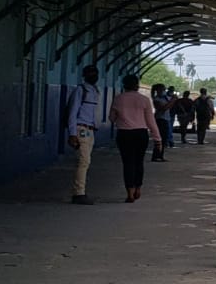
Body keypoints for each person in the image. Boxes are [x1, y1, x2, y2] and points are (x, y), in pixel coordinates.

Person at [108, 74, 160, 202]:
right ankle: (138, 188)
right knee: (139, 162)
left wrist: (122, 117)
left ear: (124, 85)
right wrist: (157, 138)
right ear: (137, 85)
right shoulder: (144, 100)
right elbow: (150, 121)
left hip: (124, 134)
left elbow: (111, 118)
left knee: (128, 163)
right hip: (141, 134)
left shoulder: (118, 99)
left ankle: (129, 193)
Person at [63, 65, 102, 205]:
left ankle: (80, 191)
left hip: (91, 130)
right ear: (84, 75)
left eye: (95, 73)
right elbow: (72, 113)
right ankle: (79, 193)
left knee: (85, 161)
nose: (94, 75)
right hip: (81, 129)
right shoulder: (80, 90)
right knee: (83, 161)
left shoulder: (95, 91)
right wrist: (72, 133)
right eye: (91, 73)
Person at [150, 84, 172, 161]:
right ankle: (155, 156)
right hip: (160, 120)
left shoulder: (165, 98)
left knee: (164, 139)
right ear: (158, 90)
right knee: (159, 139)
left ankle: (160, 155)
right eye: (163, 90)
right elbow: (164, 108)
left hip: (166, 119)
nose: (164, 91)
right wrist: (173, 100)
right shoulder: (156, 99)